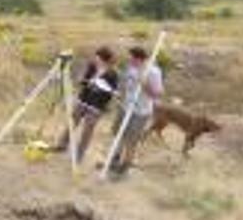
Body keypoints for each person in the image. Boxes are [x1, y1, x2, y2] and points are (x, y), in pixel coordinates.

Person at [53, 47, 119, 163]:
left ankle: (79, 155)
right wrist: (84, 81)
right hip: (83, 100)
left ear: (103, 59)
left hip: (97, 106)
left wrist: (101, 89)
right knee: (72, 122)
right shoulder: (92, 66)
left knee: (87, 131)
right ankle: (62, 144)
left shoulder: (113, 74)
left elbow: (112, 92)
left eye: (97, 57)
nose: (95, 58)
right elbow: (84, 81)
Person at [111, 46, 164, 175]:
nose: (129, 61)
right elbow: (126, 84)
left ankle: (126, 165)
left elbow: (157, 94)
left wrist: (144, 84)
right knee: (118, 132)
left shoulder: (153, 72)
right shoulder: (131, 68)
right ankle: (115, 159)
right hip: (125, 106)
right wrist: (120, 95)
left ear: (139, 59)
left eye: (131, 58)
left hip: (140, 111)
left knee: (131, 139)